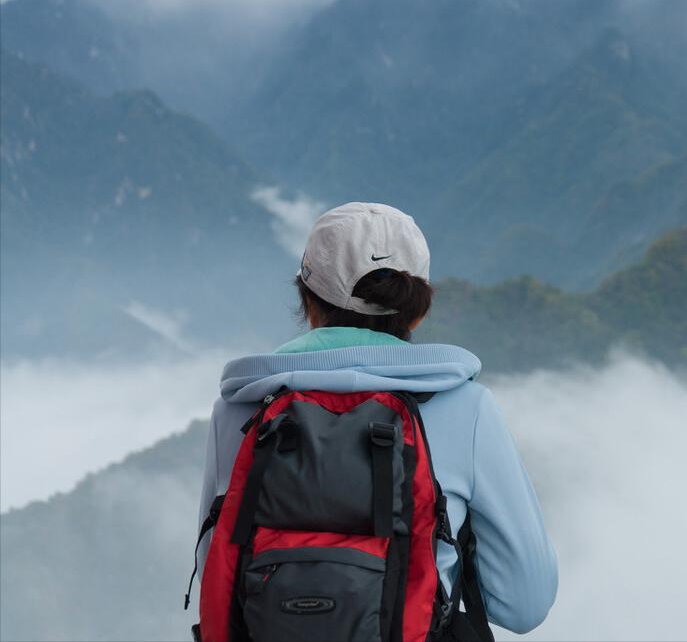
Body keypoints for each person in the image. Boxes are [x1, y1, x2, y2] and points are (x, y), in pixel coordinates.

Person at [195, 202, 558, 636]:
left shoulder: (239, 409)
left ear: (306, 300)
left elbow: (218, 572)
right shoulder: (467, 408)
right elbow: (524, 605)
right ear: (417, 310)